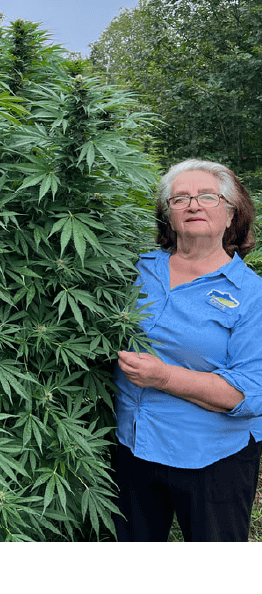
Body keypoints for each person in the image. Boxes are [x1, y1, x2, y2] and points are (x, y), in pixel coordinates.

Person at [113, 158, 262, 542]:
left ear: (231, 214)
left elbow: (248, 393)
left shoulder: (251, 295)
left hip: (211, 456)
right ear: (168, 216)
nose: (194, 205)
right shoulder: (133, 269)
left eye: (208, 197)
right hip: (131, 444)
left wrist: (162, 377)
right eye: (180, 199)